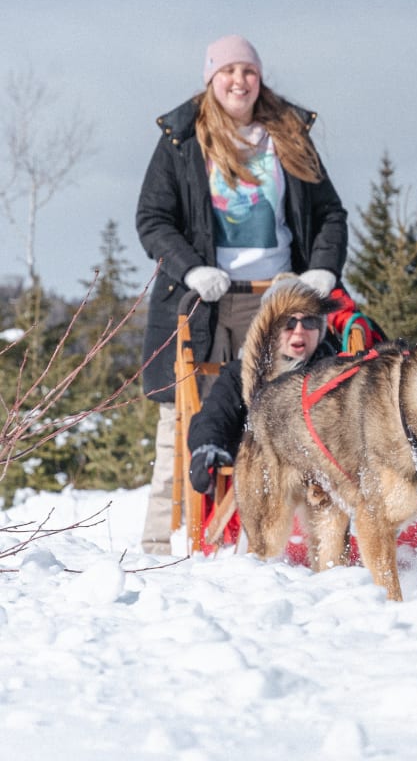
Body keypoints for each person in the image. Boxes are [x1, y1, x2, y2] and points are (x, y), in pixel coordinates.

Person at [136, 34, 347, 554]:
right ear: (211, 79)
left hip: (278, 298)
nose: (238, 80)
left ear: (259, 78)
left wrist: (320, 272)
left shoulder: (288, 135)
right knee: (189, 411)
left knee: (293, 407)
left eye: (248, 71)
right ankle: (163, 538)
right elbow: (153, 218)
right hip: (205, 297)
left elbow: (329, 215)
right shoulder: (182, 140)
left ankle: (290, 530)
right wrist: (189, 269)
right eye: (227, 71)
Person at [187, 277, 338, 495]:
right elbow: (215, 416)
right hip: (261, 490)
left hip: (325, 488)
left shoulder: (335, 374)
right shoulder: (239, 374)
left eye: (310, 321)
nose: (298, 331)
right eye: (288, 321)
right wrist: (207, 447)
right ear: (267, 327)